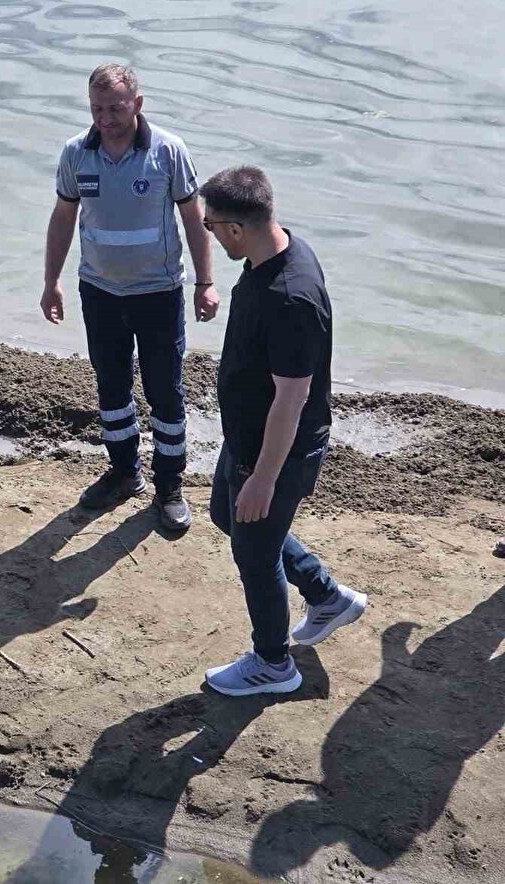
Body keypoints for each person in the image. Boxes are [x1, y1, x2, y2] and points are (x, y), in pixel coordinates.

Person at [198, 166, 366, 697]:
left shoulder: (291, 297)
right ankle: (327, 596)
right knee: (226, 514)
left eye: (208, 224)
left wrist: (264, 478)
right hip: (249, 436)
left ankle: (273, 664)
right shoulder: (273, 253)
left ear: (235, 228)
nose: (205, 231)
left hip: (277, 450)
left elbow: (292, 401)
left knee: (254, 553)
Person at [42, 63, 218, 531]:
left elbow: (193, 218)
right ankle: (123, 473)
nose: (106, 118)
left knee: (165, 391)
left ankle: (169, 487)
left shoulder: (169, 151)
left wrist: (205, 282)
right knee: (112, 388)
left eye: (116, 108)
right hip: (99, 291)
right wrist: (51, 281)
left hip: (158, 293)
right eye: (97, 109)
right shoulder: (76, 153)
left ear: (137, 104)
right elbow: (62, 218)